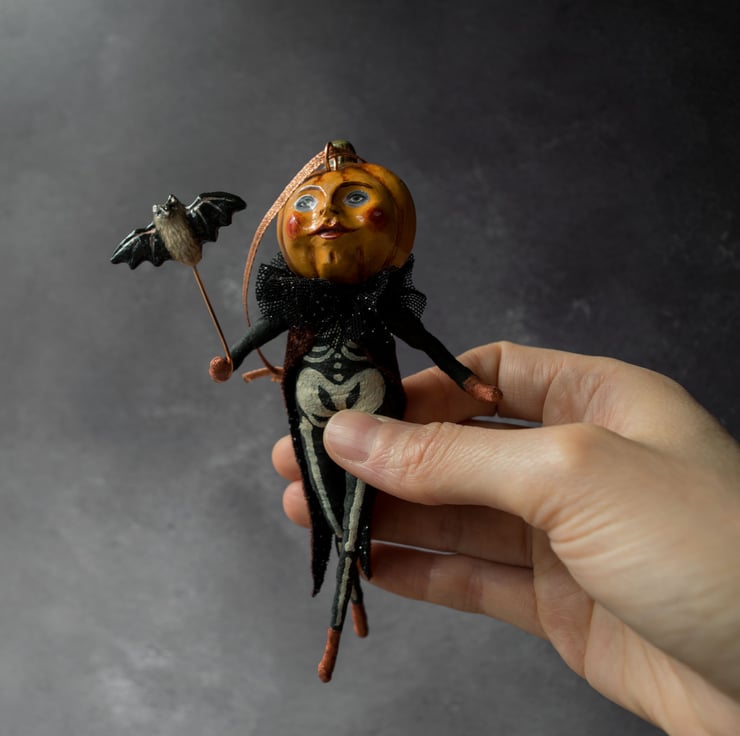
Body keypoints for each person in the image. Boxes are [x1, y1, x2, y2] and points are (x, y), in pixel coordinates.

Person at [272, 341, 740, 734]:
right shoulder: (305, 306)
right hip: (319, 397)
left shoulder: (376, 301)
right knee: (331, 509)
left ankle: (338, 621)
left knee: (353, 518)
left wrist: (471, 384)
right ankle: (347, 605)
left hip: (362, 392)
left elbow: (424, 340)